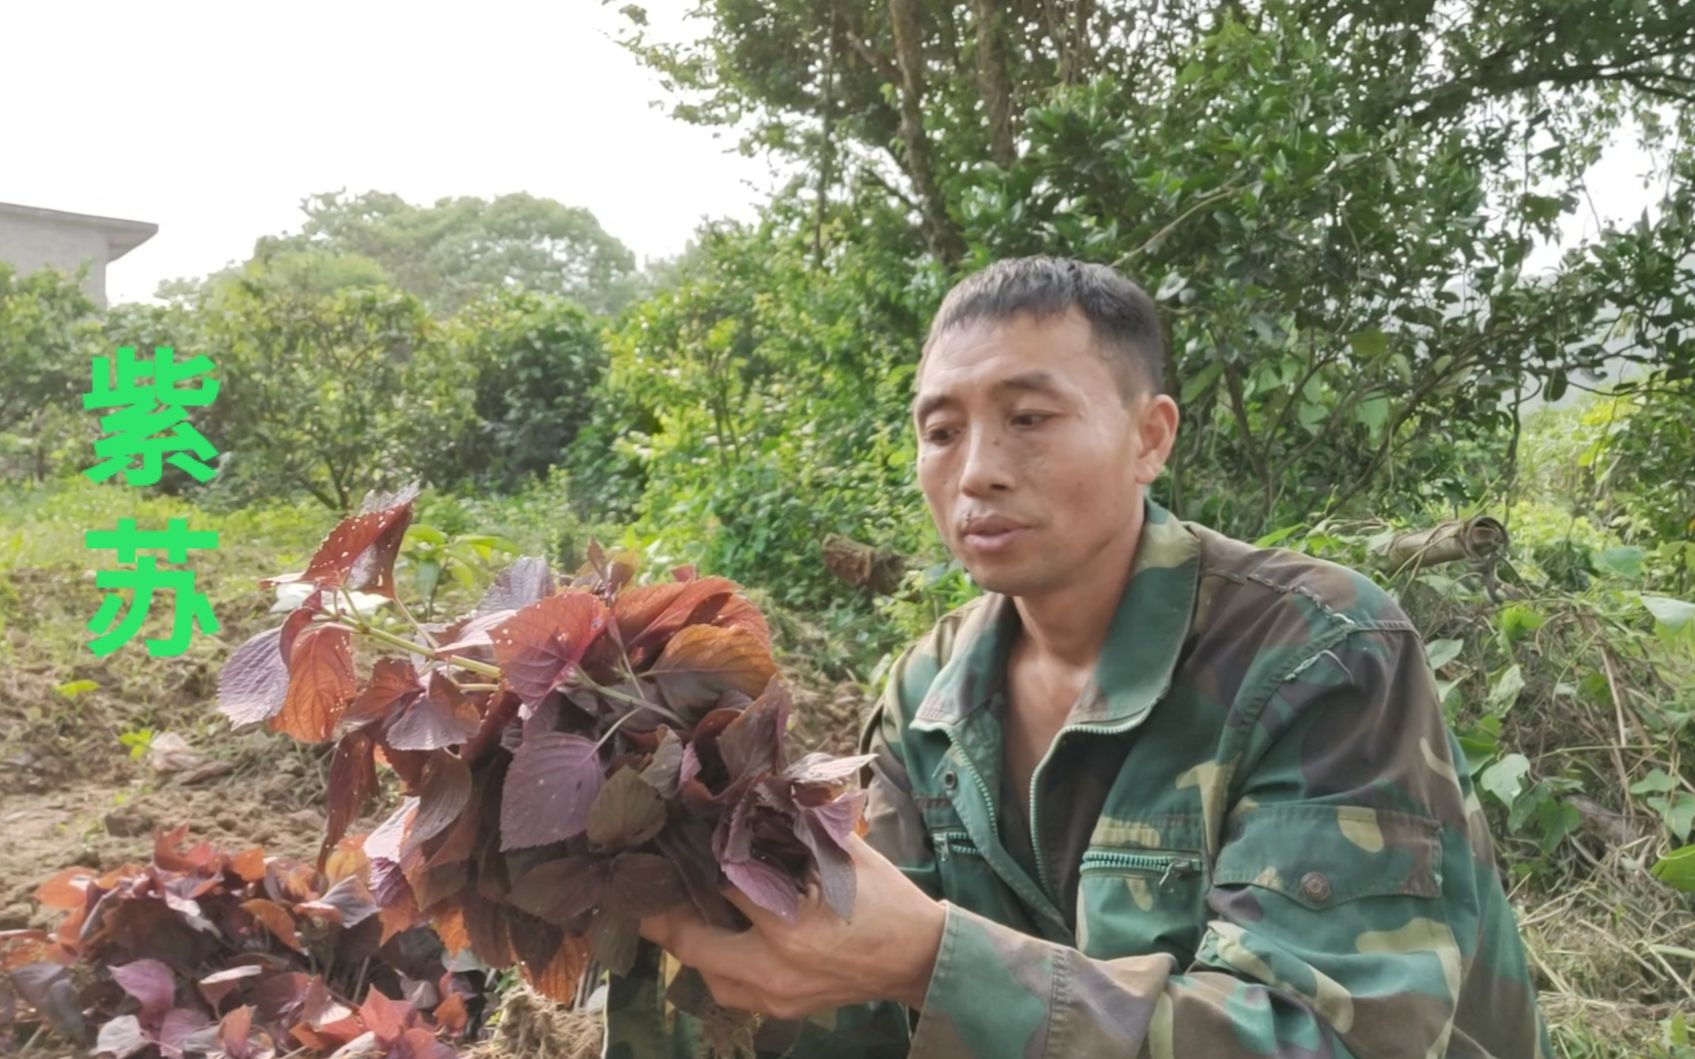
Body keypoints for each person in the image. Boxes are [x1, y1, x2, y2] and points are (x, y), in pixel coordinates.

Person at [609, 256, 1552, 1058]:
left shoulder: (1316, 650)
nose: (975, 467)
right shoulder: (928, 685)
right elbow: (854, 988)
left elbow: (1324, 1034)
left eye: (1028, 417)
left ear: (1149, 437)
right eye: (940, 432)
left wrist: (930, 957)